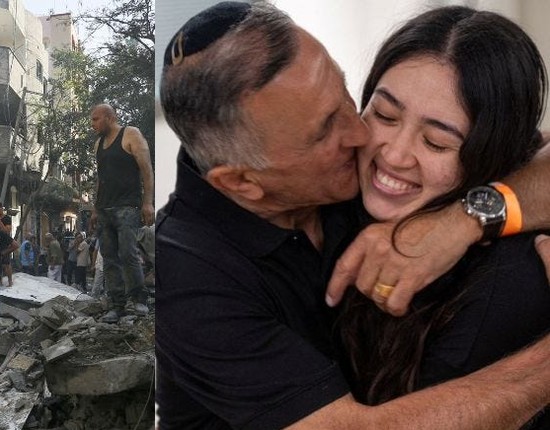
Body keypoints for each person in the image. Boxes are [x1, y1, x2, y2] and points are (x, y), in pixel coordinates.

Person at [156, 3, 550, 429]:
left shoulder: (349, 179)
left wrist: (459, 221)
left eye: (348, 97)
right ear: (242, 183)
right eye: (382, 114)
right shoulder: (185, 274)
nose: (363, 135)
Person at [333, 9, 550, 427]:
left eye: (436, 142)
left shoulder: (504, 284)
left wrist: (461, 221)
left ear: (491, 154)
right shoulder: (336, 198)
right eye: (384, 115)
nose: (393, 155)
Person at [89, 103, 155, 323]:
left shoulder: (131, 134)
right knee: (109, 258)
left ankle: (139, 300)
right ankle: (117, 305)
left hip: (128, 206)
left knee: (128, 253)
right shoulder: (98, 144)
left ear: (109, 117)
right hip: (105, 209)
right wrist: (95, 209)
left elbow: (147, 170)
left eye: (96, 119)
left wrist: (147, 203)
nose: (93, 124)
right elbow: (100, 179)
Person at [0, 202, 13, 287]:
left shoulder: (7, 218)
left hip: (5, 243)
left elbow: (7, 231)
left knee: (6, 263)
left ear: (1, 209)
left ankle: (10, 281)